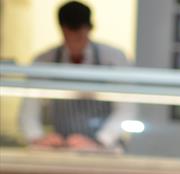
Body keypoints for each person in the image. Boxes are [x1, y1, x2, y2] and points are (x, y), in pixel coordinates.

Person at [19, 1, 135, 150]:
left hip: (104, 148)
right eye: (69, 36)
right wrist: (37, 138)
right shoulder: (45, 60)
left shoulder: (113, 58)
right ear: (61, 30)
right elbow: (29, 108)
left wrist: (100, 141)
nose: (74, 43)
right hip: (60, 146)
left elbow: (126, 109)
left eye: (79, 36)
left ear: (90, 28)